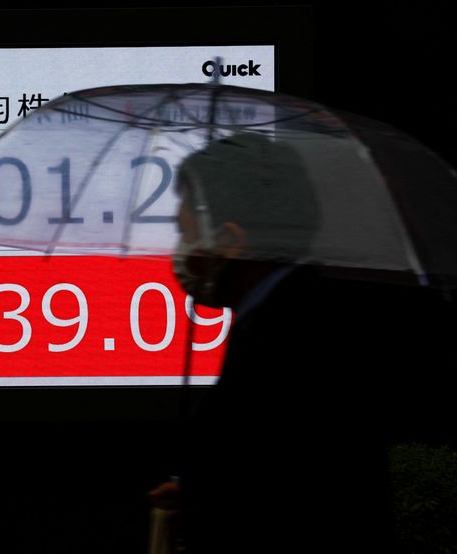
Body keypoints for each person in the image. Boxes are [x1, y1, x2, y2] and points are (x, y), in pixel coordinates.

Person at [152, 132, 401, 552]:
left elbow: (284, 485)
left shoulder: (295, 338)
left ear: (230, 240)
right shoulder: (299, 312)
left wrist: (207, 501)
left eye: (185, 232)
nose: (179, 252)